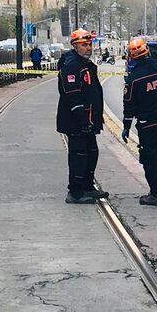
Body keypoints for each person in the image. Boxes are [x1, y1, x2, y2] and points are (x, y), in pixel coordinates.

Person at [122, 38, 157, 206]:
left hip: (148, 125)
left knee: (149, 158)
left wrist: (126, 127)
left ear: (132, 56)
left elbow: (129, 105)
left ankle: (156, 193)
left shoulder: (133, 79)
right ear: (147, 51)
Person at [57, 28, 108, 204]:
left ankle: (87, 186)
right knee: (79, 155)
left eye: (90, 44)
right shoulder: (72, 65)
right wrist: (82, 119)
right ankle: (75, 192)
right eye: (84, 45)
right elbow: (72, 95)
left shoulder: (86, 65)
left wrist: (95, 118)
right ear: (75, 46)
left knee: (92, 152)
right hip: (76, 122)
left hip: (89, 119)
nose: (88, 48)